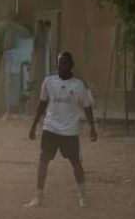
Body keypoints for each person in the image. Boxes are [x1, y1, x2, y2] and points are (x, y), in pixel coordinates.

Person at [27, 51, 98, 208]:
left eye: (64, 62)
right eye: (59, 62)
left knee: (76, 163)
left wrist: (93, 128)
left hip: (69, 131)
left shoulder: (79, 85)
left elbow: (87, 108)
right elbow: (42, 103)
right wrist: (33, 125)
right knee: (43, 162)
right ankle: (38, 197)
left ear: (70, 65)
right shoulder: (49, 81)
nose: (61, 65)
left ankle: (83, 196)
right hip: (50, 127)